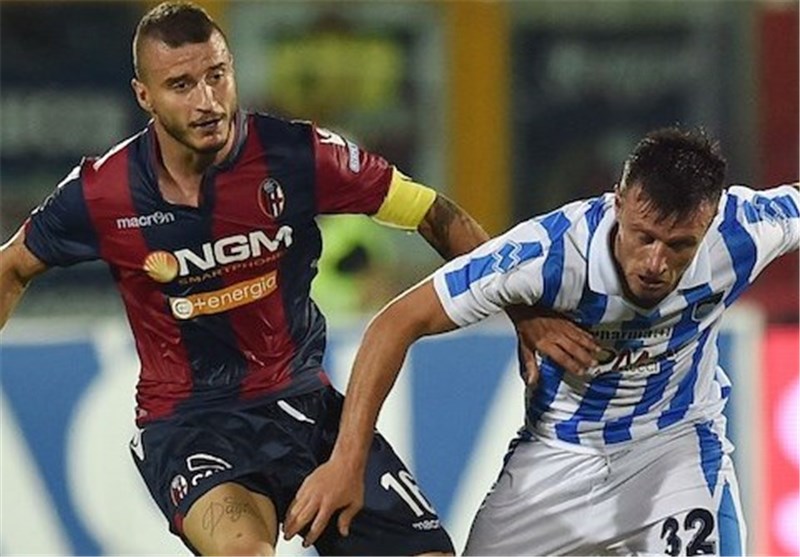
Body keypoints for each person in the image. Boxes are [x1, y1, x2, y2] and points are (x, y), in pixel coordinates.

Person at [0, 3, 598, 555]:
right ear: (144, 96)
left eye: (217, 75)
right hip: (191, 424)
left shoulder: (298, 155)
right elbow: (12, 268)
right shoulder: (100, 193)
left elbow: (433, 213)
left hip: (307, 409)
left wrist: (523, 310)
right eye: (181, 85)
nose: (207, 101)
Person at [284, 127, 800, 555]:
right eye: (643, 235)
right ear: (618, 203)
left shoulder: (744, 231)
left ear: (709, 223)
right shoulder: (548, 251)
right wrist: (347, 461)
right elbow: (394, 323)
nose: (655, 263)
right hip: (557, 458)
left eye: (679, 245)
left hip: (672, 451)